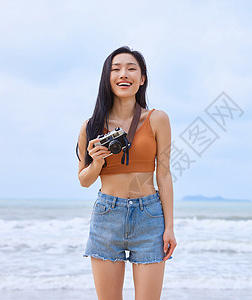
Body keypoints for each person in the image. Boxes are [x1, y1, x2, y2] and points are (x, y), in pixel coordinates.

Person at [76, 46, 176, 300]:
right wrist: (97, 163)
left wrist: (169, 228)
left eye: (132, 69)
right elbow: (84, 180)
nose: (124, 74)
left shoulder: (157, 119)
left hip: (149, 215)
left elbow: (163, 174)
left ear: (142, 79)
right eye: (116, 69)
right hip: (107, 215)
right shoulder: (91, 126)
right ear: (107, 78)